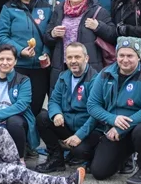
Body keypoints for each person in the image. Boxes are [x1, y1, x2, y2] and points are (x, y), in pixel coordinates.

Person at [85, 36, 141, 184]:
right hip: (114, 128)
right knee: (99, 172)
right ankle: (126, 157)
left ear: (139, 57)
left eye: (130, 56)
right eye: (121, 55)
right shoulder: (105, 74)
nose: (125, 60)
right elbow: (92, 105)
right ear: (116, 56)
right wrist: (112, 119)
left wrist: (120, 127)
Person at [37, 43, 99, 172]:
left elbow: (96, 114)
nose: (73, 61)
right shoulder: (63, 76)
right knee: (42, 118)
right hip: (69, 125)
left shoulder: (95, 79)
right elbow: (53, 100)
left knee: (79, 151)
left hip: (89, 129)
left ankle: (90, 156)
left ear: (86, 58)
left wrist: (80, 136)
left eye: (77, 57)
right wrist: (56, 114)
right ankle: (56, 159)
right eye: (69, 57)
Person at [0, 0, 52, 116]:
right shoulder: (9, 8)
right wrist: (20, 50)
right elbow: (2, 36)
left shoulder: (46, 8)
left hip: (39, 69)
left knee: (36, 107)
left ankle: (33, 137)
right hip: (18, 67)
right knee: (17, 107)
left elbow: (49, 35)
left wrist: (46, 53)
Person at [43, 0, 114, 82]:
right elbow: (47, 37)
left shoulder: (98, 11)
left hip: (88, 66)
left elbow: (113, 35)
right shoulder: (59, 10)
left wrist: (98, 27)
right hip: (63, 65)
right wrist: (53, 34)